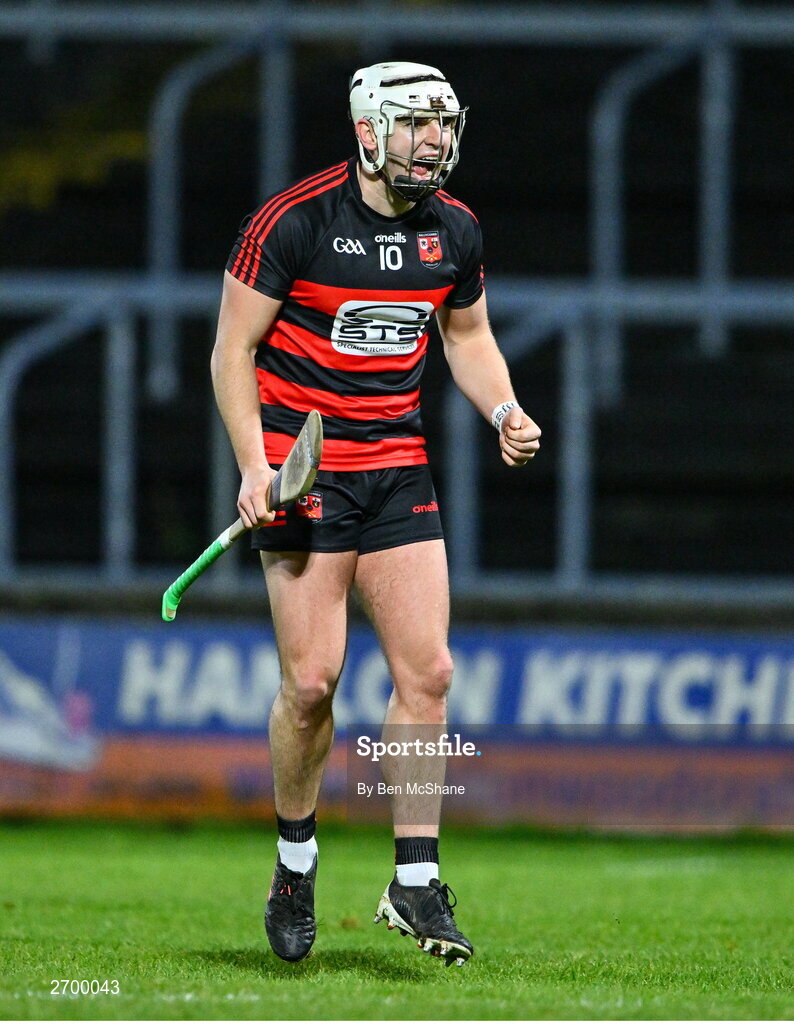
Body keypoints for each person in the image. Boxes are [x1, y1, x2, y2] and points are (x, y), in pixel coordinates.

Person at [210, 60, 541, 965]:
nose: (434, 142)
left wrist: (504, 411)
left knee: (427, 673)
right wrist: (255, 464)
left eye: (443, 124)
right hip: (304, 477)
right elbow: (230, 352)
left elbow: (467, 338)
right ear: (367, 132)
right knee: (312, 684)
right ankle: (294, 861)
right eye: (414, 125)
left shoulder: (456, 230)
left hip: (396, 468)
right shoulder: (294, 221)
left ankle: (416, 881)